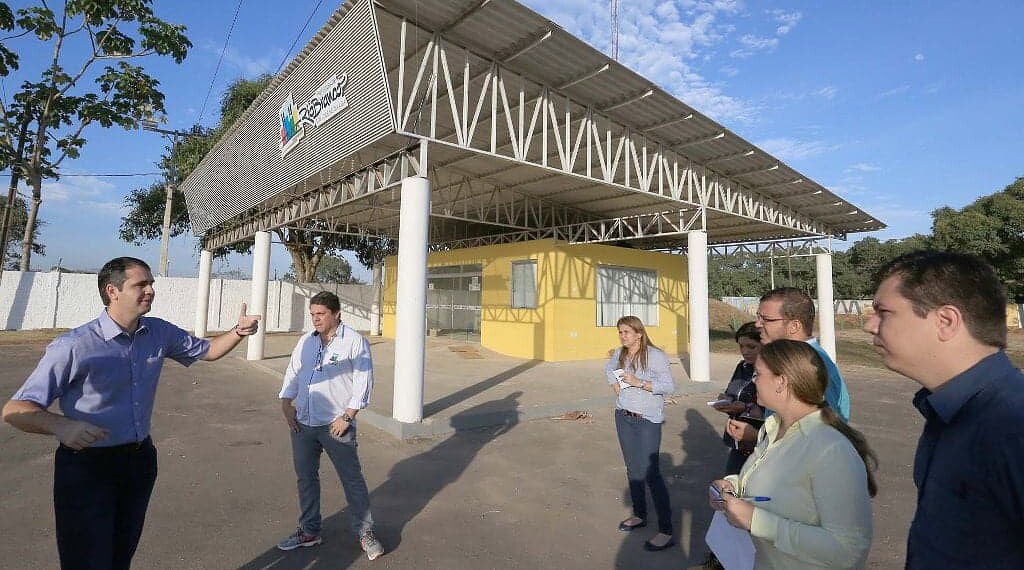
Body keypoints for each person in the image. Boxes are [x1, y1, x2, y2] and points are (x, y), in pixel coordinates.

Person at [1, 256, 260, 570]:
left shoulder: (158, 332)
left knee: (120, 555)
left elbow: (209, 351)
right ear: (112, 291)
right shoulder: (74, 346)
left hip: (138, 462)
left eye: (151, 284)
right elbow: (16, 410)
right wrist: (61, 426)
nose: (151, 290)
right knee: (86, 560)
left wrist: (239, 331)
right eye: (141, 284)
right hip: (88, 468)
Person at [865, 250, 1024, 568]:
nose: (870, 325)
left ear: (946, 321)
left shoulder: (1012, 423)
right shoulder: (947, 410)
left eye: (884, 312)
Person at [711, 339, 876, 569]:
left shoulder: (831, 450)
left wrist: (756, 521)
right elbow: (769, 485)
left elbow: (849, 550)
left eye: (758, 374)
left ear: (781, 382)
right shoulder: (772, 428)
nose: (753, 381)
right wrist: (730, 487)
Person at [277, 291, 383, 561]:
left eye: (321, 314)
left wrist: (347, 416)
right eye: (313, 314)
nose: (316, 319)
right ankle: (310, 531)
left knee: (352, 479)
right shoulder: (306, 341)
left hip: (336, 426)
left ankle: (365, 532)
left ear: (336, 313)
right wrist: (286, 403)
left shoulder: (354, 342)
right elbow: (293, 372)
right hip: (302, 423)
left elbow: (363, 381)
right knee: (306, 479)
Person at [727, 287, 851, 447]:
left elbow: (824, 435)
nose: (758, 324)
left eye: (767, 319)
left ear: (794, 326)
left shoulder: (815, 365)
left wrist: (758, 437)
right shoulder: (790, 360)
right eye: (758, 317)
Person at [605, 315, 676, 552]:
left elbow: (668, 386)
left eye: (626, 332)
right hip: (624, 417)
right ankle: (639, 514)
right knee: (633, 469)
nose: (623, 336)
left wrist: (639, 382)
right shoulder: (620, 353)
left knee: (651, 473)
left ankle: (666, 530)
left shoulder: (655, 356)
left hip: (647, 420)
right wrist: (614, 385)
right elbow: (609, 368)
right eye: (620, 332)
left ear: (639, 333)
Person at [710, 322, 764, 475]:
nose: (745, 351)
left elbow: (772, 408)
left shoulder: (773, 371)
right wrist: (726, 400)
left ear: (764, 344)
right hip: (738, 442)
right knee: (731, 486)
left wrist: (745, 408)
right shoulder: (743, 367)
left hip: (761, 441)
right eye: (741, 347)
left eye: (751, 346)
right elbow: (732, 392)